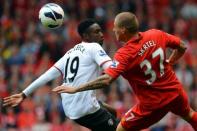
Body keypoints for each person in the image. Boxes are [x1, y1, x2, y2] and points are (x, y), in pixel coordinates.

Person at [52, 12, 197, 131]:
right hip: (174, 91)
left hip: (152, 105)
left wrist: (76, 88)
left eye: (115, 27)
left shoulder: (125, 53)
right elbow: (182, 46)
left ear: (123, 30)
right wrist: (169, 63)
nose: (113, 30)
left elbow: (107, 79)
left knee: (119, 129)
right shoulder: (155, 34)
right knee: (190, 115)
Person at [3, 19, 118, 131]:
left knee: (113, 112)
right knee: (120, 127)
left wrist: (24, 94)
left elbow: (46, 75)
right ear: (86, 36)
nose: (102, 34)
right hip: (85, 108)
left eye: (101, 31)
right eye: (96, 32)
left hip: (70, 109)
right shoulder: (94, 47)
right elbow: (111, 69)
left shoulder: (69, 53)